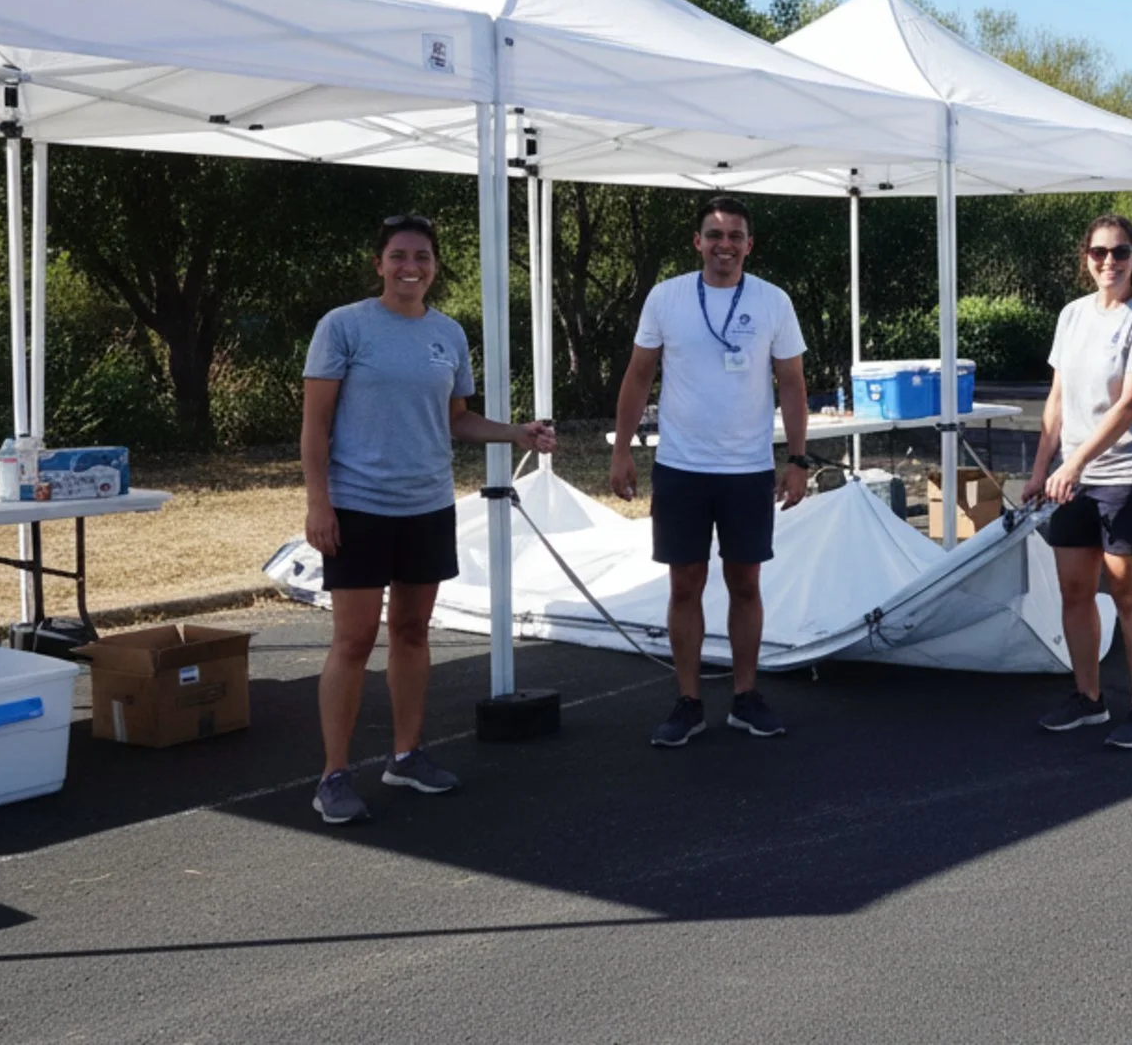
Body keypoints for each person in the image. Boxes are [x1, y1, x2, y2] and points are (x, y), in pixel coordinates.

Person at [302, 214, 556, 826]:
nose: (410, 267)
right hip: (359, 507)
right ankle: (334, 774)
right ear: (380, 263)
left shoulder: (448, 334)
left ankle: (406, 755)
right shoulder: (344, 326)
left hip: (427, 506)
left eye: (421, 257)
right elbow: (315, 425)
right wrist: (319, 502)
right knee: (355, 640)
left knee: (413, 634)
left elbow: (457, 420)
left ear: (435, 266)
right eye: (398, 256)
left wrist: (517, 431)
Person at [611, 196, 810, 749]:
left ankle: (746, 697)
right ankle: (689, 701)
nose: (725, 245)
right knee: (685, 586)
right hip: (681, 468)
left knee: (746, 584)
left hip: (747, 469)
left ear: (750, 244)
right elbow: (637, 376)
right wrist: (622, 449)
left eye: (735, 236)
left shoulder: (772, 301)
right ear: (697, 242)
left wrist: (796, 460)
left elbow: (792, 384)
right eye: (714, 235)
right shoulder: (667, 297)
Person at [1031, 214, 1132, 750]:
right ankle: (1088, 698)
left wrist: (1075, 464)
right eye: (1098, 253)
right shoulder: (1072, 316)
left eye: (1119, 252)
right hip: (1072, 478)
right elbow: (1057, 399)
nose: (1108, 262)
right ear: (1085, 258)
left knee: (1127, 592)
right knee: (1073, 590)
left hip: (1129, 475)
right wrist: (1044, 467)